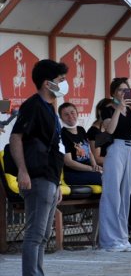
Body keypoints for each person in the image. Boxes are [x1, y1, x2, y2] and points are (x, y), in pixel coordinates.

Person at [10, 59, 68, 276]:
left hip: (51, 179)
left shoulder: (51, 109)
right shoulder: (33, 106)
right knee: (35, 234)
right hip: (37, 177)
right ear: (47, 83)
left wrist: (58, 182)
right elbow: (16, 138)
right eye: (60, 80)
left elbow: (56, 148)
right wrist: (23, 171)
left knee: (43, 235)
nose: (64, 84)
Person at [98, 77, 131, 252]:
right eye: (120, 90)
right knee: (112, 194)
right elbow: (110, 129)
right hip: (116, 147)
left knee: (126, 194)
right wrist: (118, 109)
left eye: (126, 90)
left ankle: (122, 237)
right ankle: (109, 240)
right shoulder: (107, 109)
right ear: (113, 93)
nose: (123, 93)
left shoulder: (130, 109)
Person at [58, 102, 103, 186]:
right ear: (61, 118)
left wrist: (95, 166)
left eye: (72, 113)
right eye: (66, 114)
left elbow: (89, 151)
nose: (70, 116)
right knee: (105, 178)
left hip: (88, 170)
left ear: (77, 113)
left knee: (112, 175)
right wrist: (91, 169)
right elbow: (68, 162)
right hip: (73, 174)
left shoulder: (81, 129)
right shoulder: (62, 134)